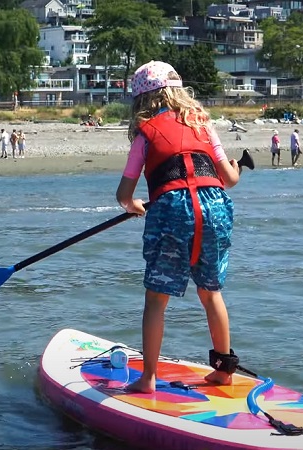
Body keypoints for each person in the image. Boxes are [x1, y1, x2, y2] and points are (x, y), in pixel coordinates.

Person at [115, 60, 241, 394]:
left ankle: (148, 378)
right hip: (214, 208)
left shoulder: (145, 133)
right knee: (210, 292)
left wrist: (136, 206)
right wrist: (236, 170)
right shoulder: (203, 123)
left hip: (172, 211)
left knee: (156, 299)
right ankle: (224, 370)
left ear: (142, 100)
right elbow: (228, 179)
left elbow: (124, 196)